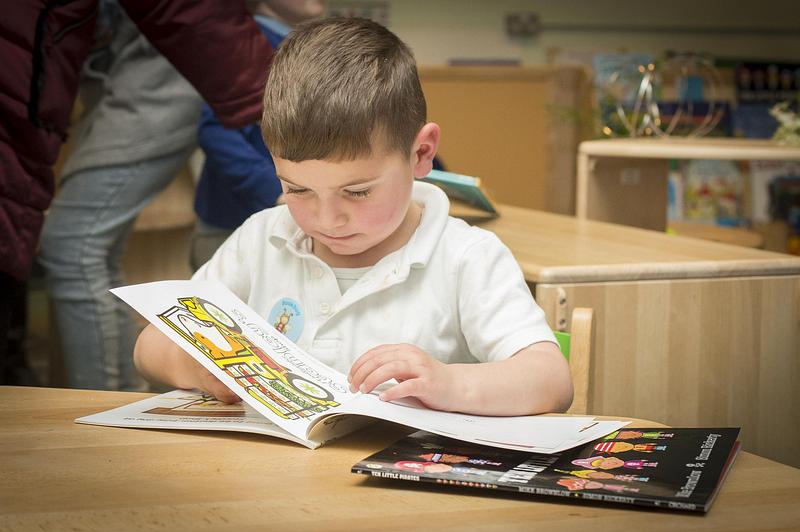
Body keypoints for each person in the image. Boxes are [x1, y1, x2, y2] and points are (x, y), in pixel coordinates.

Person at [134, 17, 573, 416]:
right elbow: (151, 344)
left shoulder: (465, 257)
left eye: (357, 191)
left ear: (421, 154)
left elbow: (550, 379)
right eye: (297, 189)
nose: (328, 219)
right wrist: (199, 371)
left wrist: (450, 381)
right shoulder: (261, 239)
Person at [0, 1, 274, 388]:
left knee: (75, 245)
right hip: (121, 57)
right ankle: (116, 401)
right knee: (81, 248)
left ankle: (110, 401)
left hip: (172, 54)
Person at [191, 0, 325, 271]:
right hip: (231, 227)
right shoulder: (245, 46)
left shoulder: (308, 49)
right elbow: (216, 132)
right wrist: (277, 191)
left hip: (290, 223)